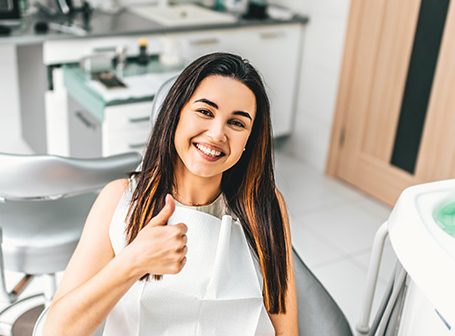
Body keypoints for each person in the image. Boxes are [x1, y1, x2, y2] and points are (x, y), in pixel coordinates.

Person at [43, 52, 298, 335]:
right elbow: (57, 330)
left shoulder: (263, 205)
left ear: (249, 140)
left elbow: (285, 328)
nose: (217, 134)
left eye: (236, 123)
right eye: (205, 111)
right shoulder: (120, 200)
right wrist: (131, 262)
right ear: (175, 113)